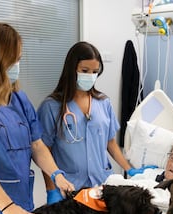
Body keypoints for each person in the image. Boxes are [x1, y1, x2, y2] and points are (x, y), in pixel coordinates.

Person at [0, 22, 75, 214]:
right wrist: (7, 207)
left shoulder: (19, 99)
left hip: (21, 207)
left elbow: (36, 145)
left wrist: (56, 175)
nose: (17, 66)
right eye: (13, 60)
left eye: (18, 59)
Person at [37, 41, 137, 204]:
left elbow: (110, 142)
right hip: (69, 189)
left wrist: (130, 169)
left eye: (95, 72)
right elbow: (43, 151)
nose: (90, 76)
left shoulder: (103, 103)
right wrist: (51, 190)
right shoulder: (51, 107)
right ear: (71, 69)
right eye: (85, 71)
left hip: (101, 185)